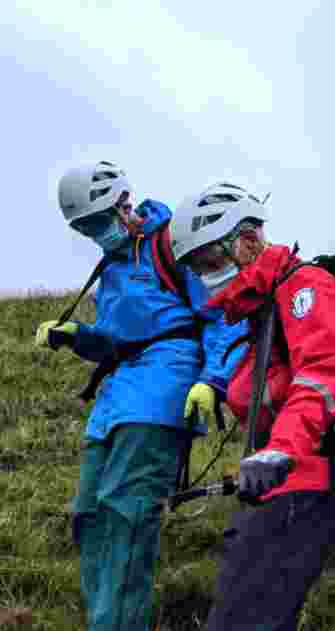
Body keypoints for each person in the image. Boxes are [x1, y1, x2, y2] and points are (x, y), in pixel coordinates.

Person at [169, 182, 335, 631]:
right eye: (196, 267)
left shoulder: (303, 288)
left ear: (248, 240)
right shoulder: (263, 307)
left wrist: (282, 449)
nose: (206, 275)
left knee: (244, 617)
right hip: (291, 477)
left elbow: (325, 376)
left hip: (312, 476)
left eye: (210, 260)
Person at [35, 162, 241, 631]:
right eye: (83, 227)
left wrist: (213, 380)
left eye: (97, 220)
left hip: (163, 385)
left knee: (126, 510)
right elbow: (114, 338)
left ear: (122, 204)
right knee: (90, 513)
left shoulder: (173, 244)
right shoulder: (112, 268)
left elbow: (222, 317)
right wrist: (76, 336)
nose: (94, 233)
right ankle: (105, 620)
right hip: (116, 396)